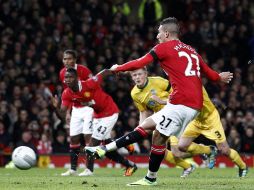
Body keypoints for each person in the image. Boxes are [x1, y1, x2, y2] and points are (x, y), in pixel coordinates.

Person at [85, 17, 233, 186]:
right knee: (155, 134)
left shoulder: (163, 47)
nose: (157, 36)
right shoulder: (191, 50)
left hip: (181, 102)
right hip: (192, 104)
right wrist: (220, 77)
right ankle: (147, 176)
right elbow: (211, 75)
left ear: (167, 33)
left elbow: (140, 62)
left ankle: (103, 150)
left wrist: (117, 68)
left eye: (159, 33)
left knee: (148, 129)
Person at [52, 68, 137, 176]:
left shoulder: (89, 83)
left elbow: (105, 72)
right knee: (106, 147)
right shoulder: (67, 93)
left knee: (92, 144)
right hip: (97, 116)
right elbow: (62, 115)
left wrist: (119, 71)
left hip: (109, 113)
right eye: (66, 78)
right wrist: (55, 108)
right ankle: (129, 162)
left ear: (77, 78)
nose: (67, 80)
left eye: (70, 77)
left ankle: (89, 170)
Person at [58, 49, 94, 176]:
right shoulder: (62, 73)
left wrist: (93, 105)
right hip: (76, 109)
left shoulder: (84, 70)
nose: (66, 61)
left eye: (69, 58)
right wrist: (68, 112)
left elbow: (95, 86)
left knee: (88, 137)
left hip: (88, 107)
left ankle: (89, 169)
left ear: (75, 60)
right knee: (73, 138)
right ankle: (73, 169)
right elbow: (68, 94)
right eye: (64, 59)